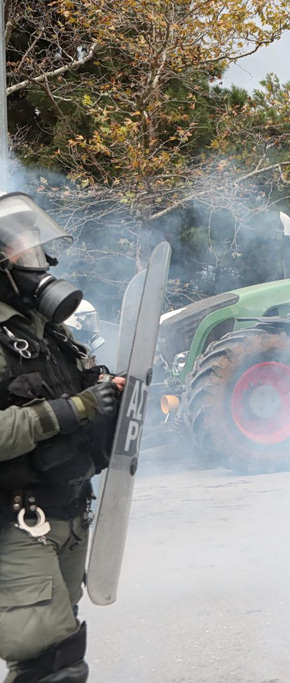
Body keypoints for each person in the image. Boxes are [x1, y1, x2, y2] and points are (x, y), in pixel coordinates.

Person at [0, 193, 122, 682]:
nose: (40, 262)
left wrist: (109, 395)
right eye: (22, 251)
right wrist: (74, 409)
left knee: (62, 649)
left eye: (38, 248)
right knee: (48, 664)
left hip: (68, 514)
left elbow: (84, 395)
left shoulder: (50, 333)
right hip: (16, 523)